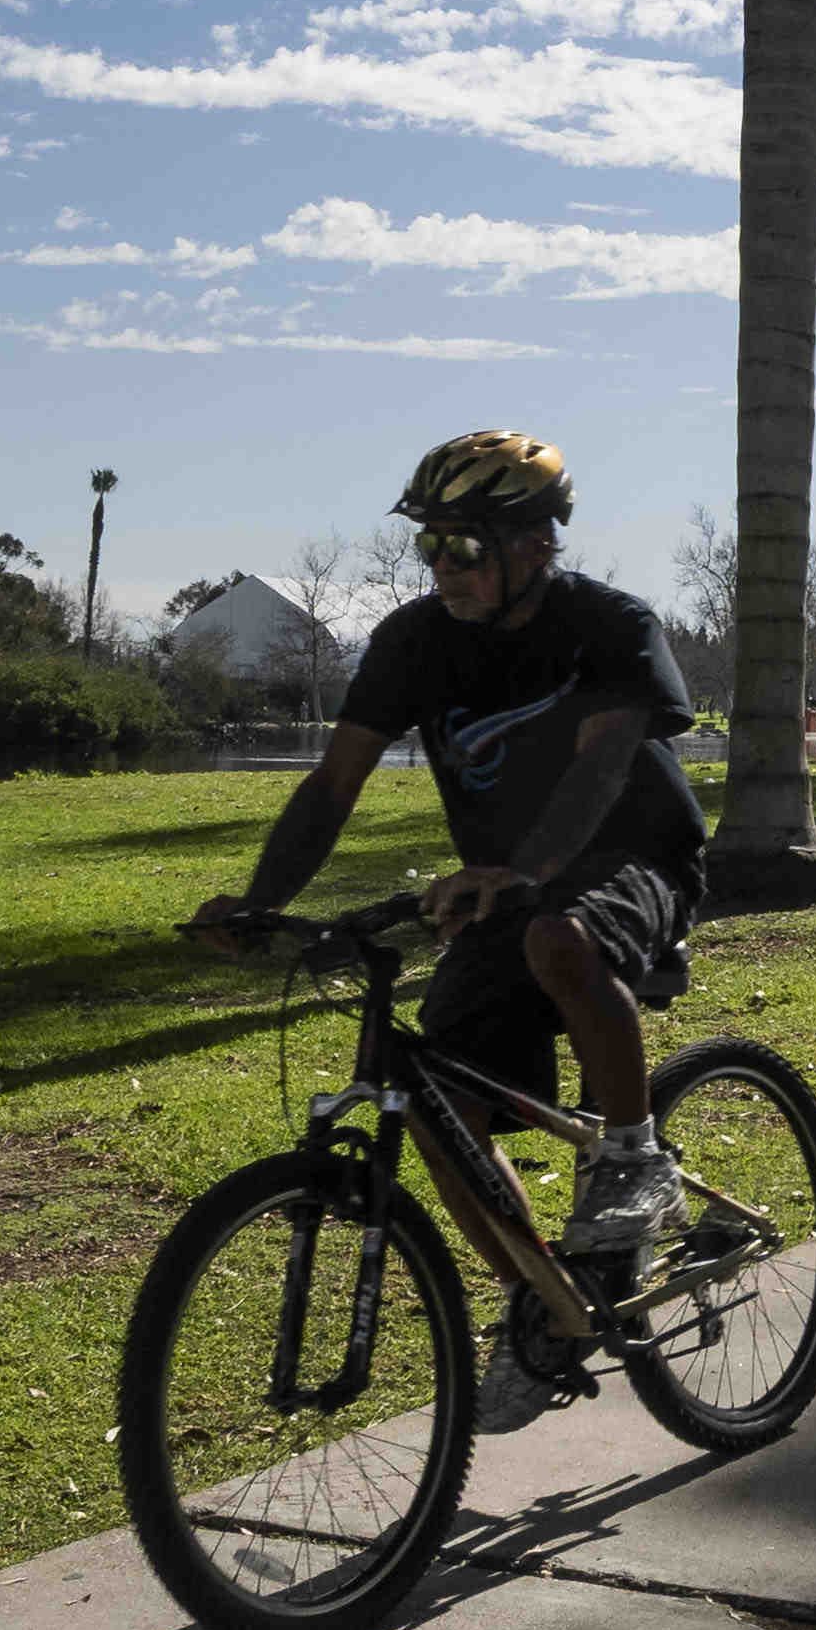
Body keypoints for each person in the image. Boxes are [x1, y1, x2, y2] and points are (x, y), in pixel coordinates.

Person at [191, 429, 707, 1422]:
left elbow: (603, 767)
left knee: (558, 938)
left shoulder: (609, 626)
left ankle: (636, 1159)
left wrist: (523, 873)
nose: (441, 568)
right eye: (428, 545)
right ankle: (543, 1300)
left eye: (463, 547)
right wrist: (263, 901)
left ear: (537, 544)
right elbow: (333, 784)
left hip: (633, 862)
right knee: (435, 1106)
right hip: (499, 889)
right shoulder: (413, 642)